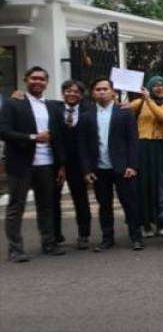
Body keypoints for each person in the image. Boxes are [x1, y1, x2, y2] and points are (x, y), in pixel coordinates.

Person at [1, 66, 68, 260]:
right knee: (16, 207)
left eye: (41, 79)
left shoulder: (52, 106)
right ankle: (15, 249)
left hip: (47, 164)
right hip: (20, 164)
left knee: (46, 206)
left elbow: (59, 137)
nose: (37, 81)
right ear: (25, 80)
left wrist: (61, 165)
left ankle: (49, 244)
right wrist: (33, 137)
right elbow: (3, 131)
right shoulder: (13, 103)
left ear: (47, 83)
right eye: (33, 78)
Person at [79, 78, 144, 251]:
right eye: (98, 89)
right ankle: (107, 238)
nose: (102, 92)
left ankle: (136, 237)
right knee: (104, 205)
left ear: (113, 92)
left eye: (105, 89)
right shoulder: (86, 116)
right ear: (92, 93)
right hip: (99, 168)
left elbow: (133, 141)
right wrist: (86, 170)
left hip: (123, 167)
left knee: (130, 203)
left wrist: (132, 165)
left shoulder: (125, 113)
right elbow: (82, 145)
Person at [127, 75, 163, 238]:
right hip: (142, 146)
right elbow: (123, 110)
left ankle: (162, 222)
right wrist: (117, 97)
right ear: (149, 87)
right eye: (156, 85)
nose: (160, 88)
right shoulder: (140, 102)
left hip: (161, 147)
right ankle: (145, 223)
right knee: (143, 184)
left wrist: (148, 100)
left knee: (160, 184)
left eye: (162, 85)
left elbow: (162, 116)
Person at [52, 79, 92, 249]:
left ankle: (84, 235)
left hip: (79, 163)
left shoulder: (89, 110)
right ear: (63, 93)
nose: (72, 94)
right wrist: (19, 95)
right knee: (53, 200)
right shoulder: (53, 108)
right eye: (68, 91)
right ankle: (55, 236)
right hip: (56, 162)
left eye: (76, 92)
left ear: (81, 95)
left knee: (80, 199)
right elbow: (31, 102)